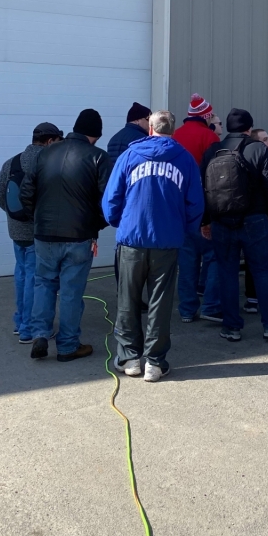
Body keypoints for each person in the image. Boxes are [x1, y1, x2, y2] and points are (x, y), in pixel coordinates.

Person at [102, 110, 204, 382]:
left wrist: (120, 223)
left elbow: (111, 199)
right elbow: (195, 203)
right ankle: (155, 363)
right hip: (167, 242)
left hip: (132, 240)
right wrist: (184, 230)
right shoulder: (184, 159)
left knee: (128, 300)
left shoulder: (129, 156)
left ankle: (129, 358)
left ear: (150, 129)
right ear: (172, 130)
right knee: (160, 302)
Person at [20, 109, 112, 362]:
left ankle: (40, 334)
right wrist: (96, 226)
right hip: (79, 237)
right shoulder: (98, 157)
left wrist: (38, 219)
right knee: (71, 292)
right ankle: (68, 345)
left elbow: (26, 194)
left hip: (44, 234)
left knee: (44, 284)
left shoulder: (45, 153)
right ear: (95, 135)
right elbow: (108, 201)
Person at [201, 108, 268, 342]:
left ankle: (231, 327)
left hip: (220, 220)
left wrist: (206, 220)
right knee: (262, 271)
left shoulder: (212, 151)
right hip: (254, 218)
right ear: (249, 127)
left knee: (226, 273)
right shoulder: (258, 149)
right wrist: (267, 212)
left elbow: (204, 188)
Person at [0, 122, 63, 342]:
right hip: (39, 232)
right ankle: (29, 329)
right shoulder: (48, 163)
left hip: (16, 231)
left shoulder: (11, 162)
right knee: (37, 279)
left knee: (22, 274)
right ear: (50, 141)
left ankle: (19, 322)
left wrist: (16, 216)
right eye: (58, 142)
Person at [172, 94, 223, 325]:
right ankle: (211, 305)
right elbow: (215, 175)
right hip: (203, 207)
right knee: (213, 257)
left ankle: (186, 309)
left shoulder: (175, 136)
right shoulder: (210, 137)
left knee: (187, 261)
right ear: (206, 116)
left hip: (179, 211)